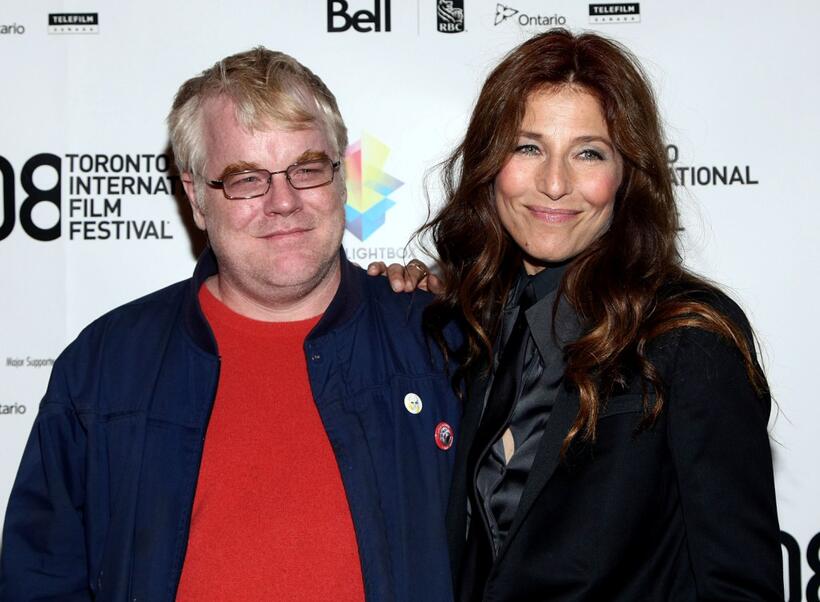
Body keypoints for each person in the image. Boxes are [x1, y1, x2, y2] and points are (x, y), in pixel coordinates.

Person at [0, 48, 460, 602]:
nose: (283, 201)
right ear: (197, 198)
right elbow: (40, 580)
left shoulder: (438, 342)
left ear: (342, 179)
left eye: (307, 168)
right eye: (246, 179)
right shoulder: (106, 364)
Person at [373, 29, 782, 600]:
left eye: (588, 152)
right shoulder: (475, 327)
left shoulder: (687, 336)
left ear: (627, 174)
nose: (555, 184)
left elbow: (740, 586)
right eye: (528, 147)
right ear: (490, 162)